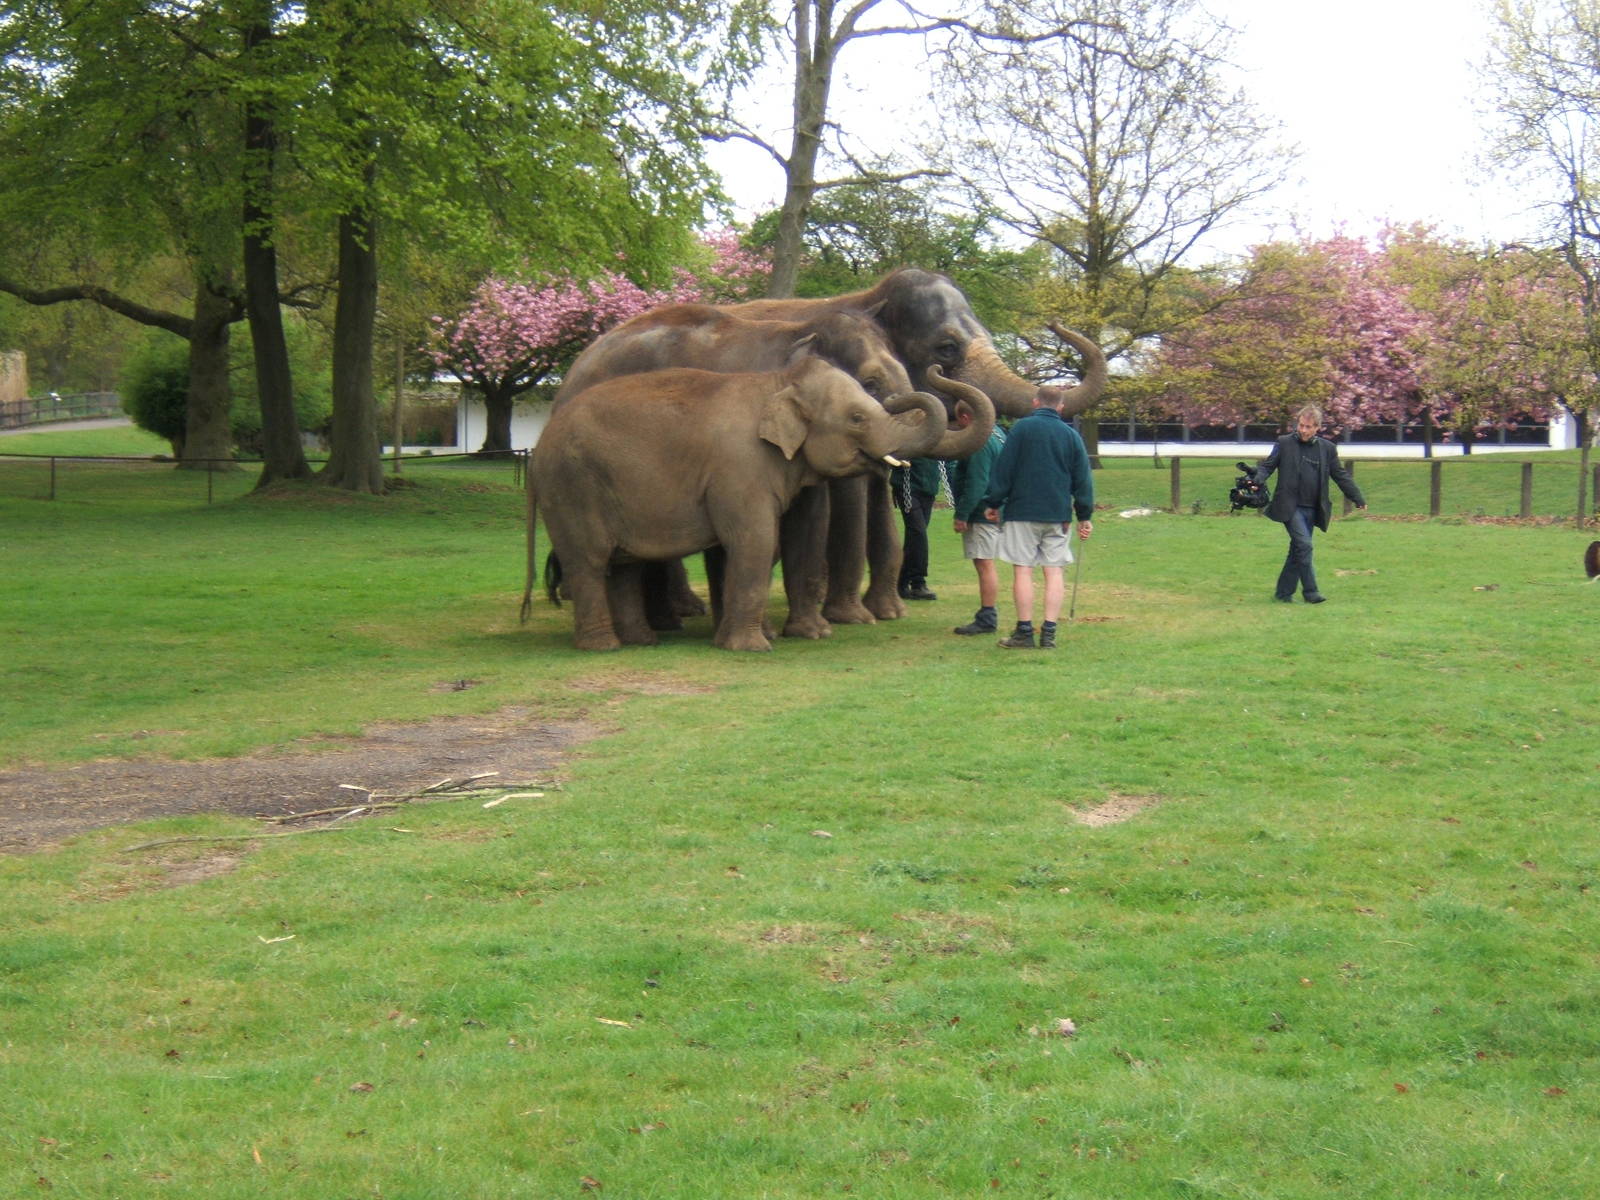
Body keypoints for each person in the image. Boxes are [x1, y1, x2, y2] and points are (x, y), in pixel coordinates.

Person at [981, 394, 1094, 650]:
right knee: (1054, 571)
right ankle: (1049, 633)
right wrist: (1084, 515)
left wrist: (993, 501)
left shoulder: (1021, 429)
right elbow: (1083, 478)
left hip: (1022, 511)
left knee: (1023, 569)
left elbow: (1004, 469)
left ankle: (1024, 631)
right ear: (1061, 407)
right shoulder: (1071, 435)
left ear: (1034, 402)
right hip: (1058, 514)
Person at [1255, 404, 1367, 604]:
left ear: (1317, 428)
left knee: (1297, 550)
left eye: (1308, 427)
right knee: (1305, 546)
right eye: (1301, 425)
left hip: (1313, 508)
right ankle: (1311, 592)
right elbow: (1267, 467)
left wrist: (1357, 497)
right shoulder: (1284, 443)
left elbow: (1340, 475)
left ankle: (1283, 593)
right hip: (1289, 507)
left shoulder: (1327, 449)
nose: (1303, 430)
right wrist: (1256, 481)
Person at [948, 420, 1006, 635]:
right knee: (985, 562)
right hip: (995, 507)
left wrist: (962, 514)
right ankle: (987, 614)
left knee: (984, 563)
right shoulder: (998, 433)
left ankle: (987, 617)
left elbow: (977, 482)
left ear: (965, 418)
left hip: (982, 511)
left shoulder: (979, 441)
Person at [892, 456, 942, 600]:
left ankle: (900, 582)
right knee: (918, 533)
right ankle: (918, 583)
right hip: (907, 486)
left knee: (914, 537)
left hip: (928, 488)